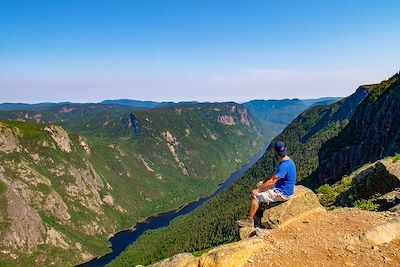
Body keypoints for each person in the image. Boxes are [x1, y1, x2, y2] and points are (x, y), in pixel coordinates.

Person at [236, 141, 297, 228]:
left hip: (283, 193)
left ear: (275, 152)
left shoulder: (284, 166)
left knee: (255, 197)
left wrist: (257, 190)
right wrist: (264, 182)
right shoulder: (288, 161)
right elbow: (276, 174)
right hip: (285, 189)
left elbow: (273, 180)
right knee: (260, 186)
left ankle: (250, 220)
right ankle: (258, 213)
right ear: (285, 150)